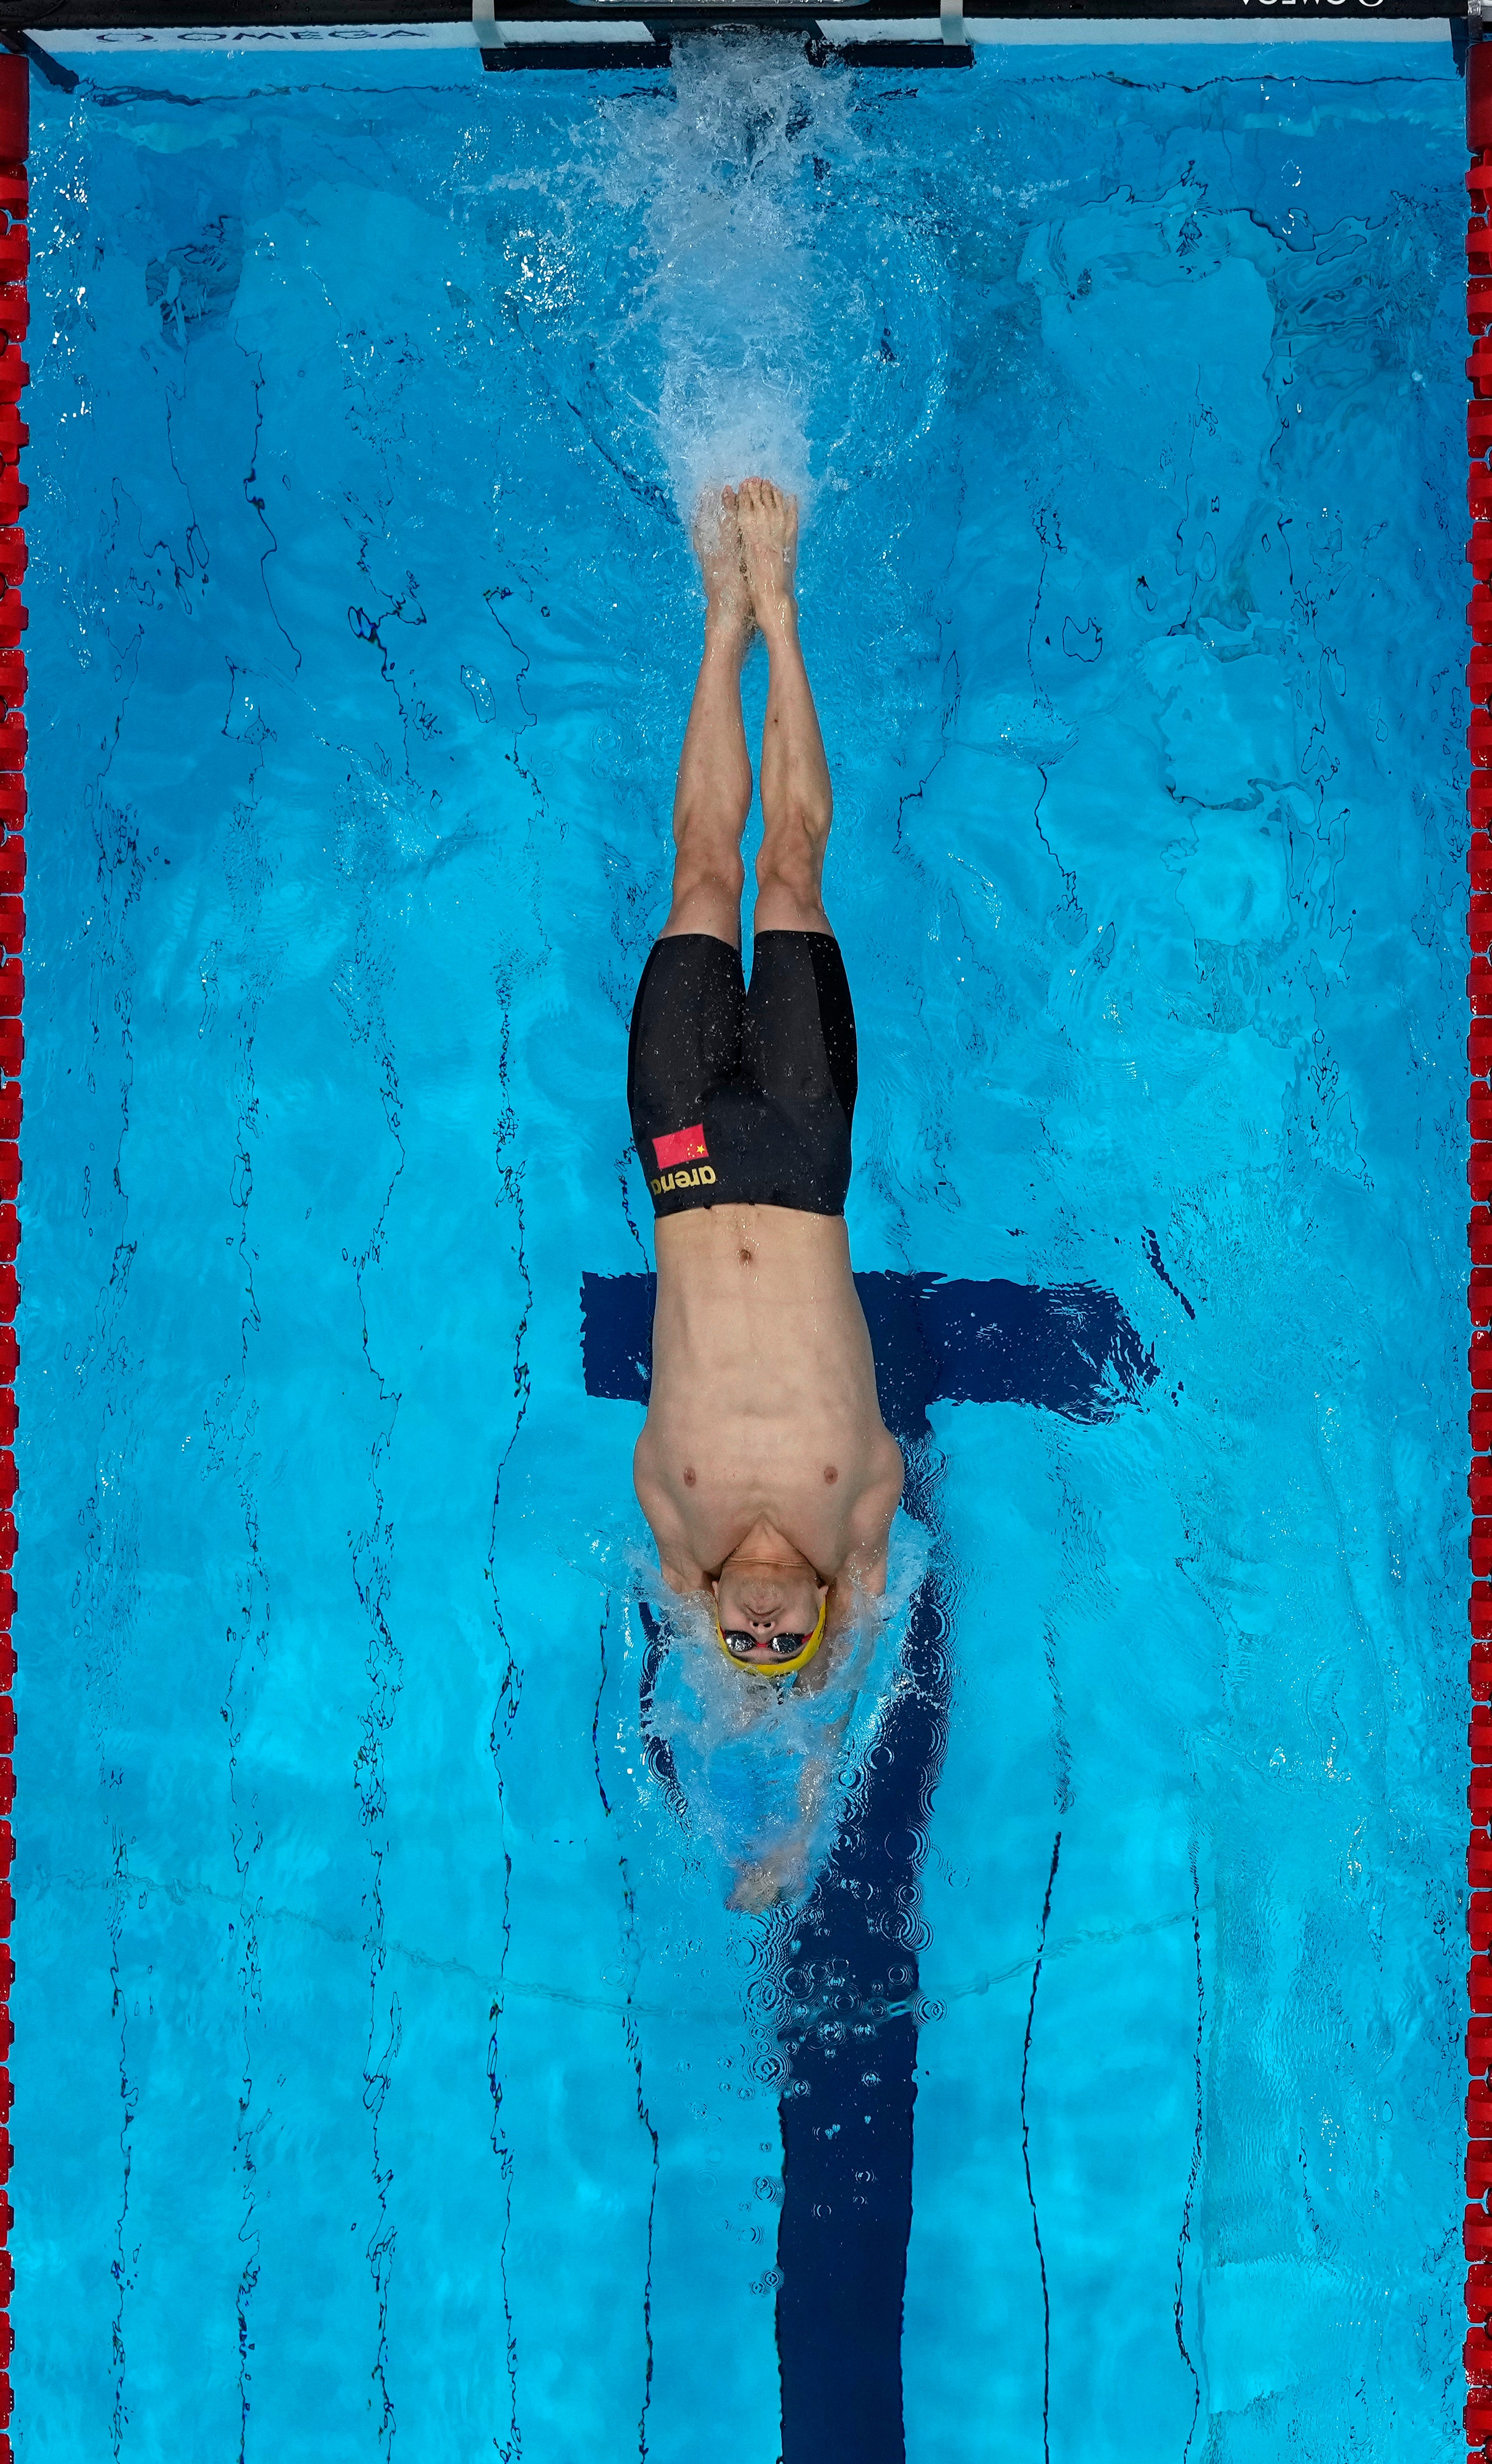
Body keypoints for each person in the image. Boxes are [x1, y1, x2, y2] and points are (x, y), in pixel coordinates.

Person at [628, 476, 903, 1897]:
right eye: (772, 1642)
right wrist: (803, 1813)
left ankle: (718, 625)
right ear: (809, 1611)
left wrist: (760, 1829)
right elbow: (851, 1685)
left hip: (680, 1165)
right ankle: (784, 622)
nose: (752, 1632)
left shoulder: (674, 1521)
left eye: (734, 1644)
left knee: (692, 881)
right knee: (788, 876)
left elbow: (708, 1680)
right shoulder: (855, 1510)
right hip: (799, 1161)